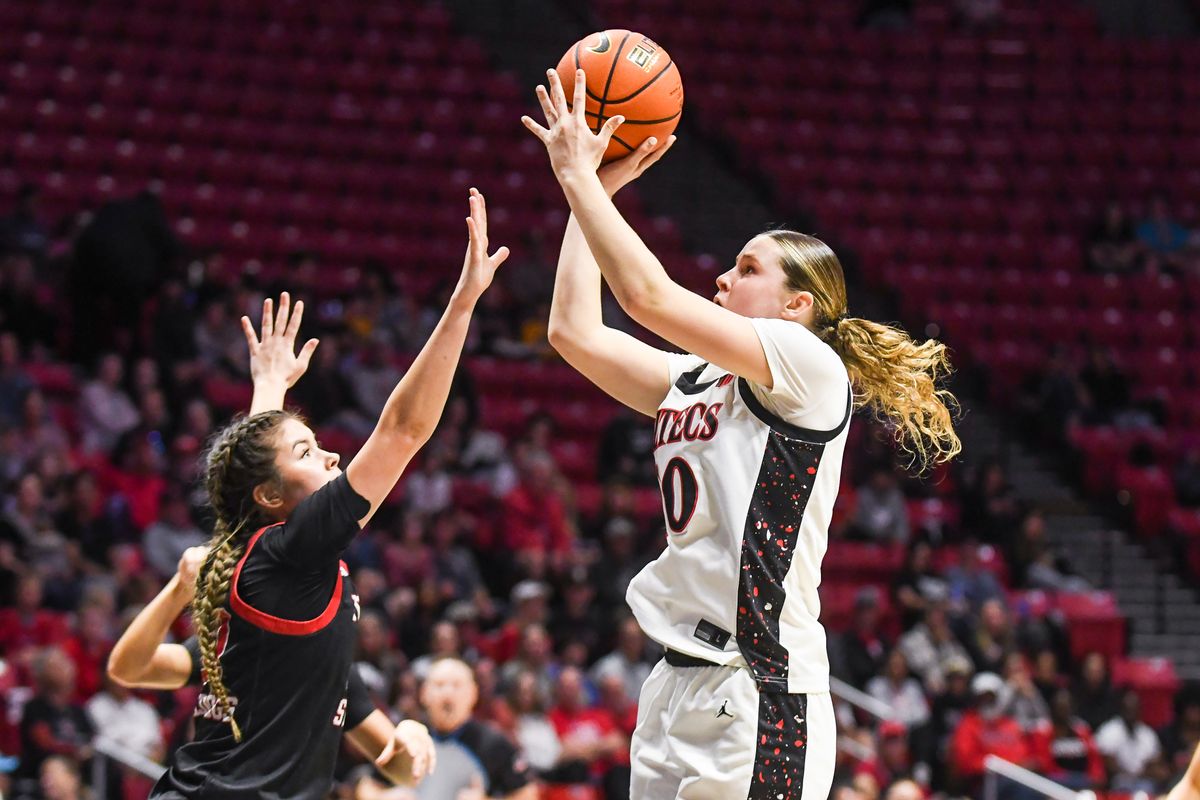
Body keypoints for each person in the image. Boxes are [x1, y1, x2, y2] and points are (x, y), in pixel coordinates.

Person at [524, 68, 960, 799]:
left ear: (796, 304)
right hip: (672, 684)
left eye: (746, 268)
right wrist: (585, 191)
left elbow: (646, 296)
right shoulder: (694, 378)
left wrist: (582, 178)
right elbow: (572, 331)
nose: (723, 280)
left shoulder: (808, 366)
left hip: (758, 686)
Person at [119, 189, 504, 799]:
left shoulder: (294, 604)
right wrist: (461, 306)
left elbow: (399, 769)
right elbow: (403, 430)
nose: (330, 454)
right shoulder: (291, 553)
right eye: (307, 452)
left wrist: (409, 738)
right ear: (274, 498)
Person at [356, 658, 537, 800]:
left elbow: (528, 794)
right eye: (440, 685)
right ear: (424, 693)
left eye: (457, 685)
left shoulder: (493, 742)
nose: (448, 693)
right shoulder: (408, 737)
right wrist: (384, 796)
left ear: (473, 694)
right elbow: (366, 787)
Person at [1094, 689, 1162, 792]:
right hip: (1117, 781)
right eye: (1127, 709)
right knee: (1121, 782)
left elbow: (1155, 764)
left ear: (1139, 710)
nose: (1131, 713)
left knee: (1147, 786)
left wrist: (1142, 773)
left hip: (1141, 781)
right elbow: (1109, 765)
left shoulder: (1147, 734)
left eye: (1134, 709)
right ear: (1121, 709)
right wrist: (1134, 774)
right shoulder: (1109, 730)